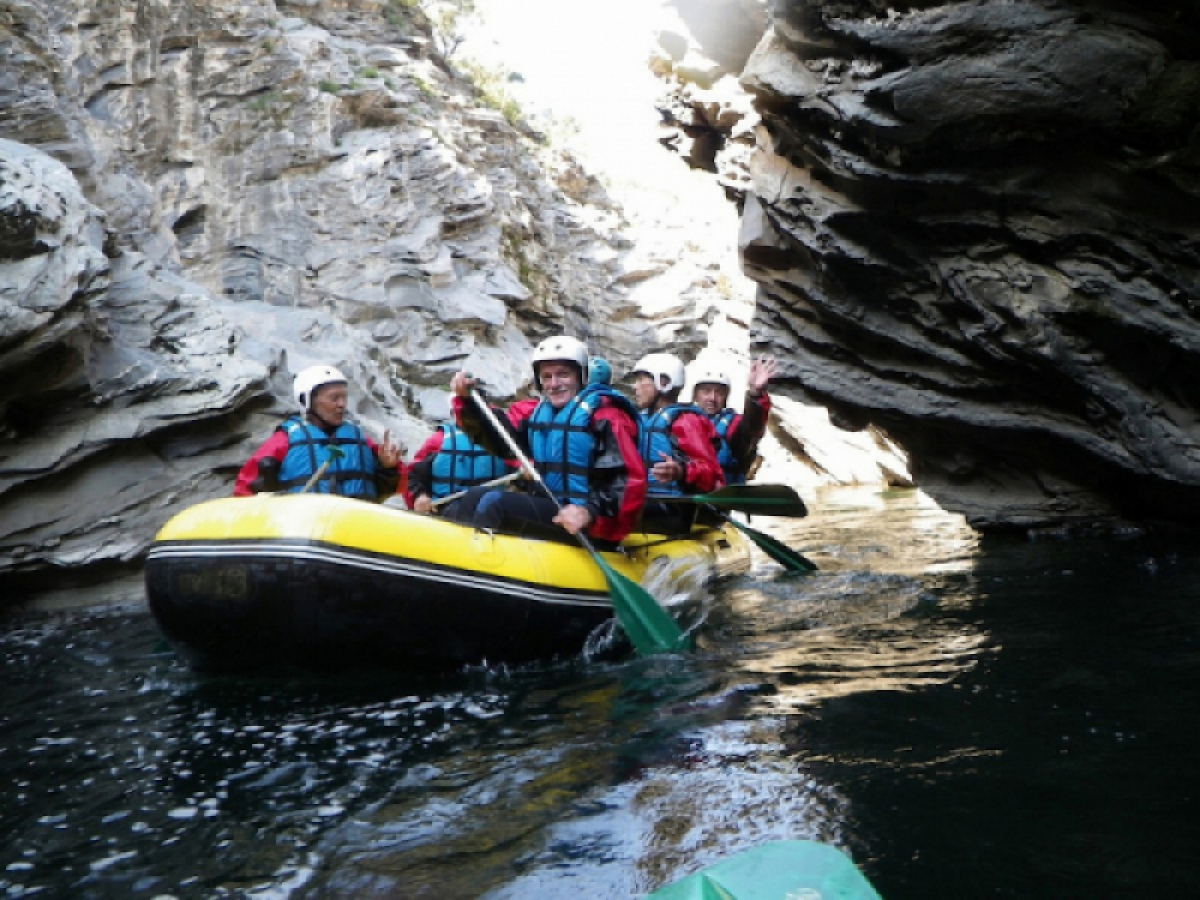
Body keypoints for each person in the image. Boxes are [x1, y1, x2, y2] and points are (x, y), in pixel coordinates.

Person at [447, 335, 647, 546]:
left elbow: (628, 481)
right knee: (474, 495)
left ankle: (478, 567)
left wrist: (589, 511)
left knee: (493, 503)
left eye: (563, 375)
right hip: (553, 509)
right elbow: (504, 444)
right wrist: (470, 403)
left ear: (581, 376)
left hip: (591, 525)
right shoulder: (541, 414)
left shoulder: (606, 416)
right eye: (547, 376)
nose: (554, 383)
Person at [234, 364, 401, 499]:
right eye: (334, 398)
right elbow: (245, 490)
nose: (342, 404)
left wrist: (389, 468)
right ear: (306, 401)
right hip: (304, 529)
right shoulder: (285, 439)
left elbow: (393, 490)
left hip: (356, 527)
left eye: (344, 397)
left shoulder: (359, 439)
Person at [630, 352, 724, 533]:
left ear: (664, 383)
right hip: (645, 504)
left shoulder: (685, 422)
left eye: (642, 380)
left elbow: (713, 477)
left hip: (672, 511)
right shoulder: (639, 421)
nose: (635, 387)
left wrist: (681, 471)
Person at [692, 355, 777, 485]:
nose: (712, 398)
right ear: (696, 395)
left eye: (719, 393)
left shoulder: (733, 424)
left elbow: (751, 428)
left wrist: (755, 393)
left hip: (720, 494)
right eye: (706, 391)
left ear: (726, 397)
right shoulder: (681, 420)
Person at [405, 422, 513, 514]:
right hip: (446, 510)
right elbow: (414, 474)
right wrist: (420, 495)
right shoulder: (439, 439)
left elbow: (519, 477)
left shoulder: (503, 439)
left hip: (490, 510)